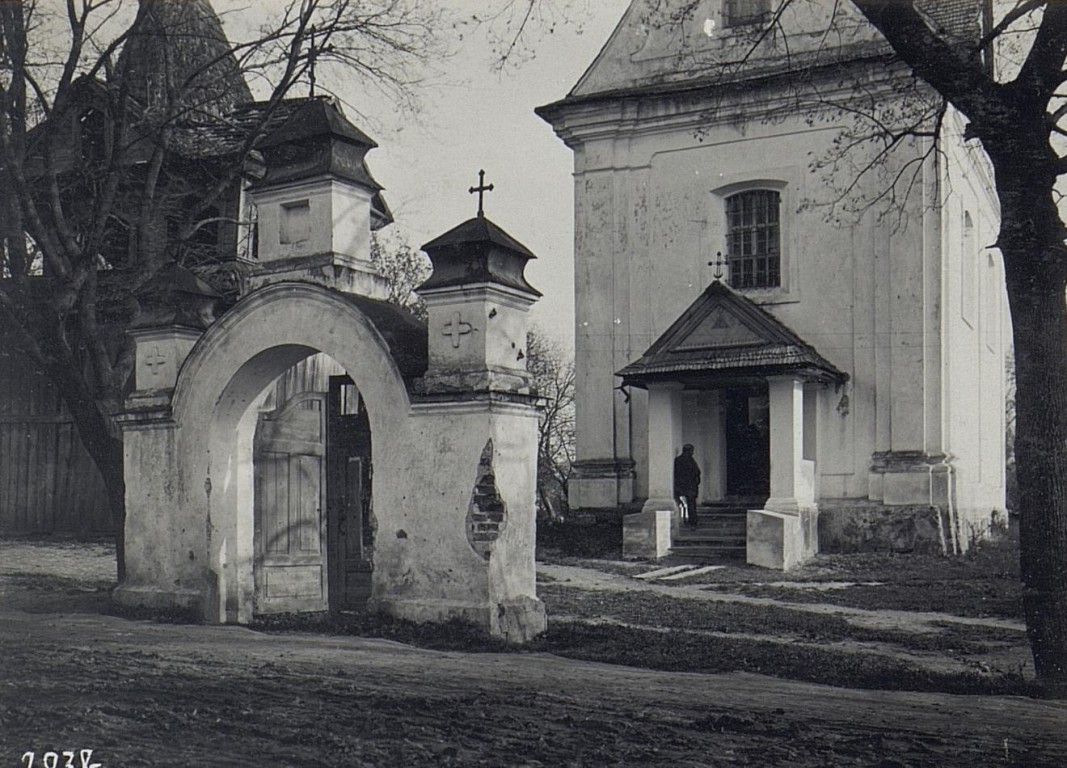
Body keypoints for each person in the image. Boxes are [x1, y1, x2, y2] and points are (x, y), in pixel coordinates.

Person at [673, 444, 701, 529]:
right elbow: (697, 472)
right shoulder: (689, 460)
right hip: (689, 486)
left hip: (681, 486)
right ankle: (692, 522)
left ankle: (690, 521)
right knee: (691, 504)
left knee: (687, 504)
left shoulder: (678, 460)